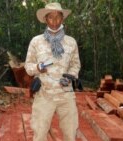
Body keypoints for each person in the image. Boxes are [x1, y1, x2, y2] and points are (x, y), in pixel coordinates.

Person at [24, 2, 81, 141]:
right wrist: (38, 68)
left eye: (58, 17)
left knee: (70, 134)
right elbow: (28, 67)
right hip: (44, 95)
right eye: (50, 17)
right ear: (45, 19)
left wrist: (70, 77)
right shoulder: (36, 42)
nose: (54, 21)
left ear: (62, 18)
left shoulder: (71, 42)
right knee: (40, 135)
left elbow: (75, 65)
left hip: (66, 95)